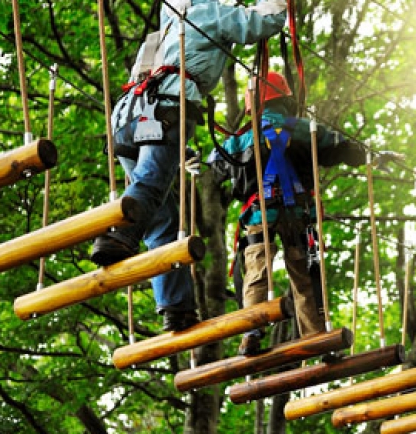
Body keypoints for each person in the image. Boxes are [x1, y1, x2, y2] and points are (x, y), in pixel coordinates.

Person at [89, 0, 289, 332]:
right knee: (151, 184)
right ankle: (118, 234)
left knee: (162, 218)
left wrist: (179, 150)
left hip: (127, 119)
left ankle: (176, 306)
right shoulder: (206, 12)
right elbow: (262, 23)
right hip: (166, 107)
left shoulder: (164, 30)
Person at [198, 72, 404, 356]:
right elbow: (343, 149)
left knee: (257, 270)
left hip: (260, 215)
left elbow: (215, 164)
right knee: (305, 277)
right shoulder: (307, 129)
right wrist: (374, 157)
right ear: (286, 100)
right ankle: (316, 336)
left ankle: (252, 331)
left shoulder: (240, 140)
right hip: (298, 214)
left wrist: (192, 160)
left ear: (252, 105)